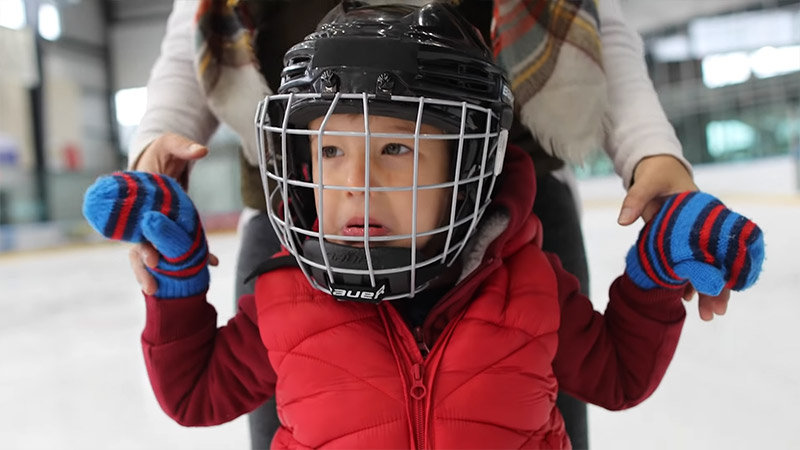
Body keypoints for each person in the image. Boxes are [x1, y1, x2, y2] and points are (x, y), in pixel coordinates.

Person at [85, 3, 764, 449]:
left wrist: (655, 275)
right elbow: (195, 393)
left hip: (509, 167)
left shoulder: (527, 283)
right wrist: (174, 278)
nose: (355, 182)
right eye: (329, 152)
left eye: (398, 151)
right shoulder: (282, 298)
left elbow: (616, 372)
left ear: (469, 165)